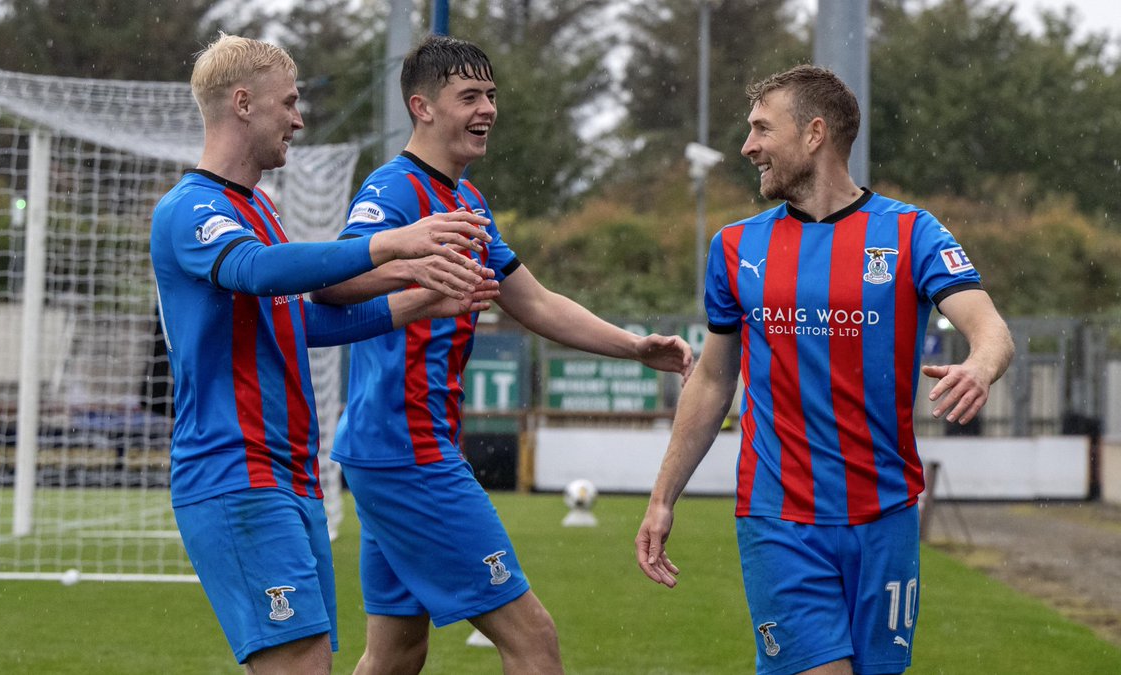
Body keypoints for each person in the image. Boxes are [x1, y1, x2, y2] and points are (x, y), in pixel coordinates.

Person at [310, 35, 694, 674]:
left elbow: (534, 302)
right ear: (422, 107)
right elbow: (331, 284)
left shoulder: (469, 201)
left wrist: (635, 346)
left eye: (490, 94)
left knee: (397, 651)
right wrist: (414, 264)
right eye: (469, 96)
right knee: (532, 639)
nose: (486, 108)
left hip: (395, 449)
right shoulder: (395, 189)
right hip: (407, 454)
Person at [635, 65, 1014, 675]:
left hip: (884, 514)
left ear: (814, 134)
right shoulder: (735, 248)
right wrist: (662, 498)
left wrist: (980, 365)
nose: (747, 146)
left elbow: (990, 328)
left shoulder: (910, 231)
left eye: (762, 129)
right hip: (777, 514)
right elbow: (711, 378)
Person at [150, 33, 500, 674]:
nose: (299, 119)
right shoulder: (191, 209)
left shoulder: (257, 208)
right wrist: (392, 245)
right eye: (289, 102)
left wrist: (423, 303)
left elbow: (297, 324)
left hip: (289, 476)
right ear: (243, 103)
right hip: (235, 475)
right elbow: (256, 271)